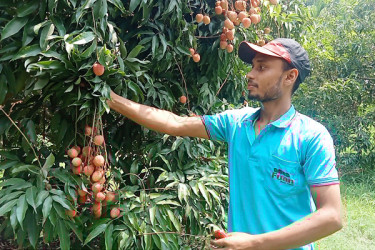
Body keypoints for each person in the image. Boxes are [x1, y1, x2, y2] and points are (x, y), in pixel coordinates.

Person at [106, 38, 343, 250]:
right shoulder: (236, 123)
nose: (250, 74)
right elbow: (174, 123)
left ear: (290, 76)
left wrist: (253, 243)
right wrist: (111, 99)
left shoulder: (311, 136)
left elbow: (332, 216)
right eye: (252, 66)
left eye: (262, 67)